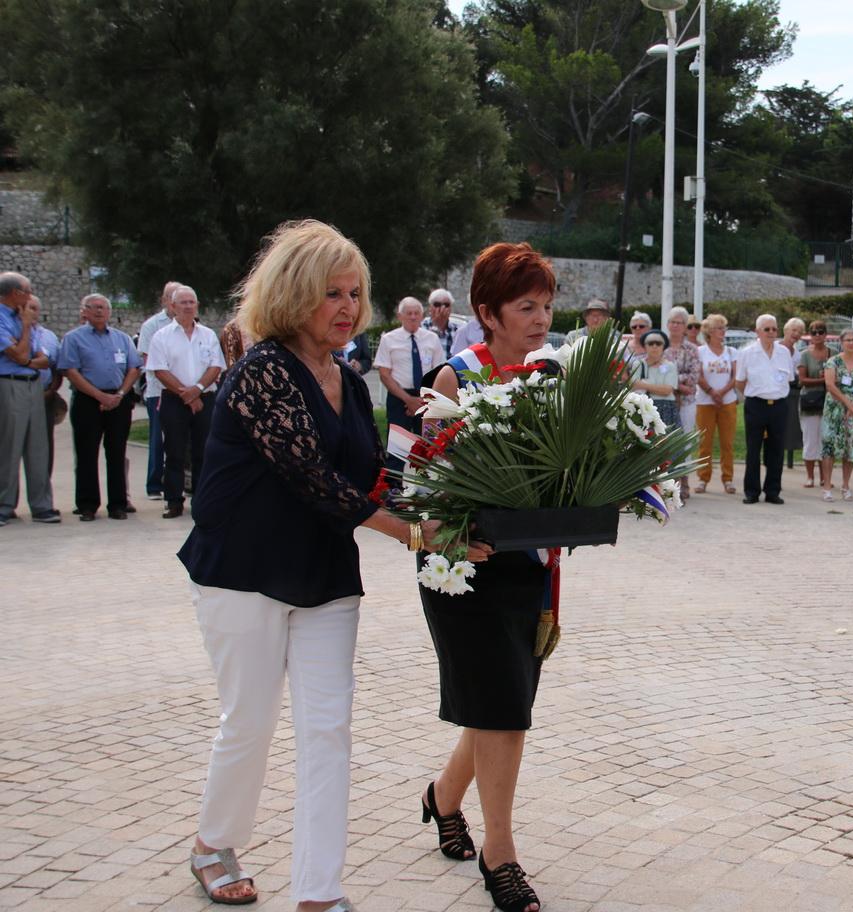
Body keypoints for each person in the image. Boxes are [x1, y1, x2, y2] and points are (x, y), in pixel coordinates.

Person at [178, 219, 439, 911]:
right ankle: (214, 843)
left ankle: (319, 894)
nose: (348, 306)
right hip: (243, 572)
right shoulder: (261, 372)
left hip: (325, 578)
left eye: (355, 292)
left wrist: (462, 500)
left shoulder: (350, 383)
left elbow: (378, 477)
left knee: (328, 729)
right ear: (294, 294)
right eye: (332, 292)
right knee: (251, 720)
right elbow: (316, 481)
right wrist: (415, 537)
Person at [421, 241, 561, 912]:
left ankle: (443, 798)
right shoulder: (455, 379)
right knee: (506, 710)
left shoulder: (551, 375)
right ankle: (499, 853)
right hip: (462, 573)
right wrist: (455, 538)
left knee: (495, 706)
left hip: (530, 567)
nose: (540, 319)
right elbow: (415, 489)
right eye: (525, 307)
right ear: (487, 312)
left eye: (546, 306)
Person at [56, 294, 141, 522]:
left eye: (103, 307)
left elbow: (134, 368)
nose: (99, 311)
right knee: (86, 453)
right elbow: (70, 371)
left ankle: (118, 504)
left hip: (118, 399)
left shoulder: (122, 339)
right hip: (87, 401)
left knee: (116, 453)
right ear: (84, 311)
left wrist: (120, 394)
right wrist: (99, 395)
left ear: (110, 312)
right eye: (93, 307)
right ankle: (87, 505)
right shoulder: (73, 339)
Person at [146, 285, 225, 520]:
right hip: (174, 400)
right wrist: (186, 395)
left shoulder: (208, 335)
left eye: (192, 302)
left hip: (204, 398)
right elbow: (159, 369)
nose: (188, 306)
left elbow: (216, 366)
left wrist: (197, 389)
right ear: (172, 306)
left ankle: (202, 499)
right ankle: (173, 500)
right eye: (183, 302)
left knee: (204, 451)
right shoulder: (161, 336)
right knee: (174, 451)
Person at [0, 271, 60, 526]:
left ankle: (41, 505)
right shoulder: (8, 319)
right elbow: (18, 353)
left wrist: (25, 356)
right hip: (9, 385)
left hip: (33, 385)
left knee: (38, 447)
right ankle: (4, 505)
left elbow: (42, 357)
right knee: (9, 446)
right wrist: (25, 331)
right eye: (27, 291)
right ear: (15, 293)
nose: (29, 296)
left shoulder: (21, 315)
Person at [375, 297, 443, 470]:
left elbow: (439, 371)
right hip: (399, 397)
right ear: (400, 316)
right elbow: (384, 374)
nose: (413, 317)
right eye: (408, 313)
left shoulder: (432, 339)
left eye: (416, 313)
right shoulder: (389, 339)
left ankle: (428, 487)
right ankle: (394, 489)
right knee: (398, 449)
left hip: (426, 398)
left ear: (422, 316)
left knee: (429, 446)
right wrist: (408, 400)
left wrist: (424, 399)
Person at [735, 313, 794, 505]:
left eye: (774, 329)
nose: (771, 333)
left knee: (776, 450)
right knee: (753, 449)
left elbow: (789, 379)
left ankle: (773, 491)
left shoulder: (784, 352)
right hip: (756, 405)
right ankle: (751, 491)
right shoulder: (746, 353)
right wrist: (755, 395)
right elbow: (740, 382)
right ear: (757, 332)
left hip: (779, 406)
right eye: (767, 329)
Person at [137, 280, 180, 499]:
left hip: (186, 393)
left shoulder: (193, 326)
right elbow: (149, 361)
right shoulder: (152, 326)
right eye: (172, 298)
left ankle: (182, 483)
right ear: (165, 301)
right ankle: (155, 484)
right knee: (158, 439)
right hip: (160, 392)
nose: (177, 303)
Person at [820, 329, 853, 502]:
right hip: (835, 410)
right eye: (847, 340)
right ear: (841, 342)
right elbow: (830, 385)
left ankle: (846, 486)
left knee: (851, 448)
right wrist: (848, 403)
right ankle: (827, 487)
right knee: (830, 447)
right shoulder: (832, 362)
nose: (851, 343)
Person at [693, 313, 737, 495]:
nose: (722, 331)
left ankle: (728, 479)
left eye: (723, 328)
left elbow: (736, 376)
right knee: (705, 442)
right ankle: (703, 478)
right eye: (719, 328)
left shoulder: (732, 352)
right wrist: (711, 392)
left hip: (727, 402)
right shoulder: (700, 351)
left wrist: (722, 392)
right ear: (709, 332)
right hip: (705, 402)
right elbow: (698, 375)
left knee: (727, 442)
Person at [663, 306, 700, 500]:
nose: (675, 325)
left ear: (685, 326)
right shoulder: (660, 345)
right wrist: (678, 383)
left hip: (686, 402)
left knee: (684, 441)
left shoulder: (692, 349)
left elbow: (694, 376)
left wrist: (671, 381)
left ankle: (683, 481)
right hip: (665, 402)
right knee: (664, 442)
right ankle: (666, 482)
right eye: (672, 322)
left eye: (679, 322)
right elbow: (656, 369)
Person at [29, 297, 64, 485]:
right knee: (10, 448)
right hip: (14, 396)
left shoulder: (49, 337)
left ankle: (42, 496)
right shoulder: (8, 333)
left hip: (44, 397)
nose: (31, 311)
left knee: (44, 449)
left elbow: (57, 368)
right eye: (27, 307)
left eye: (34, 308)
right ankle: (7, 503)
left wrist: (52, 389)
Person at [796, 320, 831, 488]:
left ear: (825, 334)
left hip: (829, 403)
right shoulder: (804, 354)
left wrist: (830, 380)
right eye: (814, 332)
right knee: (810, 440)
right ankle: (810, 477)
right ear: (810, 335)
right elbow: (802, 380)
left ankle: (825, 477)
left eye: (821, 332)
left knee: (826, 441)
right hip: (810, 402)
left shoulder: (833, 353)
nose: (818, 335)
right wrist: (824, 379)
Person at [634, 328, 679, 429]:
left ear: (664, 346)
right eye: (650, 343)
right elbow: (633, 386)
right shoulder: (638, 364)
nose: (654, 346)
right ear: (645, 346)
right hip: (643, 408)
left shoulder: (670, 365)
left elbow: (667, 390)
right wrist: (658, 388)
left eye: (658, 343)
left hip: (666, 408)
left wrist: (643, 384)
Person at [780, 317, 806, 466]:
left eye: (799, 332)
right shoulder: (775, 348)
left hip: (792, 392)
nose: (796, 334)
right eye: (794, 330)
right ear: (786, 330)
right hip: (775, 392)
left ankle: (789, 459)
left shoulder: (798, 355)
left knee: (791, 426)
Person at [422, 288, 459, 360]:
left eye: (446, 305)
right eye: (437, 304)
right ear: (430, 307)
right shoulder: (421, 327)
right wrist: (436, 322)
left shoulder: (458, 330)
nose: (442, 308)